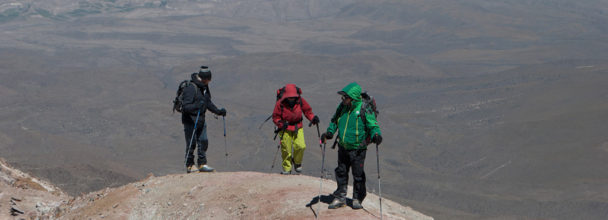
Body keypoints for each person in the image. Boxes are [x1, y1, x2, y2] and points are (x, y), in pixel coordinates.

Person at [321, 82, 382, 209]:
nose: (343, 100)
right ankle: (340, 197)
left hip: (358, 148)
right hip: (343, 146)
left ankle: (357, 198)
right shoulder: (342, 107)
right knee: (341, 172)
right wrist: (330, 132)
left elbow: (373, 124)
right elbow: (334, 120)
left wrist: (377, 134)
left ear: (353, 98)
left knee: (358, 174)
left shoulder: (364, 108)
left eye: (345, 97)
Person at [181, 66, 227, 173]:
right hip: (190, 120)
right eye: (208, 80)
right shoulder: (191, 88)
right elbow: (185, 107)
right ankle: (190, 165)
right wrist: (197, 106)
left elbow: (208, 103)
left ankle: (202, 163)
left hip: (200, 119)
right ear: (204, 78)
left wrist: (218, 111)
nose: (209, 82)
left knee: (203, 141)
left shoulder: (204, 87)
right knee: (191, 143)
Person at [272, 84, 320, 175]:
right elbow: (275, 117)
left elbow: (307, 111)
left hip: (298, 127)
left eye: (293, 97)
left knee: (301, 146)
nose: (291, 98)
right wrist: (281, 124)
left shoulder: (300, 101)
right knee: (286, 149)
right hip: (285, 129)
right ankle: (287, 169)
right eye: (290, 97)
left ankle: (297, 162)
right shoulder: (280, 103)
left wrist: (313, 118)